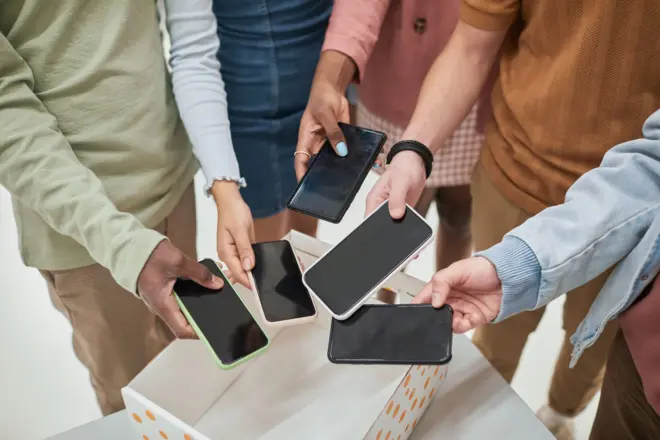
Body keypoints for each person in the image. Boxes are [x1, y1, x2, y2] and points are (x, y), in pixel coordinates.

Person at [360, 2, 660, 437]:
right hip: (516, 166)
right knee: (493, 341)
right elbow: (472, 42)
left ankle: (561, 412)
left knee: (589, 349)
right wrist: (414, 149)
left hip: (636, 236)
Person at [0, 0, 256, 415]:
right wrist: (125, 248)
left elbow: (191, 44)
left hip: (173, 186)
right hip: (83, 231)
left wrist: (224, 184)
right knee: (135, 404)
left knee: (194, 372)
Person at [414, 109, 660, 439]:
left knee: (586, 358)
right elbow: (650, 171)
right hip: (643, 371)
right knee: (498, 342)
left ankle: (562, 412)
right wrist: (515, 266)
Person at [296, 0, 493, 278]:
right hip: (399, 81)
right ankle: (382, 298)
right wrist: (330, 80)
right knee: (395, 219)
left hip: (477, 97)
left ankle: (446, 304)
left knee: (459, 217)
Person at [210, 0, 332, 246]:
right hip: (247, 78)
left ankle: (305, 278)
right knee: (264, 255)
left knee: (307, 231)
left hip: (321, 54)